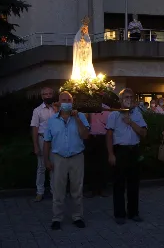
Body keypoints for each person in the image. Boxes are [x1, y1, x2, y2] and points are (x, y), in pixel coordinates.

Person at [43, 91, 90, 230]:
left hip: (76, 157)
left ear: (72, 102)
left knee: (77, 189)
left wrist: (77, 119)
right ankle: (57, 218)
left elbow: (85, 135)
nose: (66, 102)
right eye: (63, 100)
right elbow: (47, 142)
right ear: (58, 102)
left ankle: (77, 216)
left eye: (69, 100)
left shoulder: (80, 116)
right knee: (58, 190)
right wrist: (46, 160)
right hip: (59, 158)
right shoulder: (52, 120)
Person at [106, 88, 147, 225]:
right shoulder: (114, 115)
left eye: (131, 97)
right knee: (119, 184)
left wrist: (131, 122)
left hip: (134, 151)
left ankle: (133, 212)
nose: (129, 100)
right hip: (120, 151)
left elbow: (143, 133)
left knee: (134, 184)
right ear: (121, 100)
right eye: (126, 97)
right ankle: (119, 214)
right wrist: (111, 154)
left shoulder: (137, 114)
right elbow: (109, 135)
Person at [30, 87, 56, 202]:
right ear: (42, 96)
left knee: (54, 166)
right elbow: (35, 128)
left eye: (50, 93)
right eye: (46, 94)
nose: (48, 96)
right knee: (41, 167)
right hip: (42, 139)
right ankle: (40, 192)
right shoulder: (37, 111)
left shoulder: (57, 109)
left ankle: (54, 192)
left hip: (56, 140)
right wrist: (35, 145)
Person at [84, 104, 111, 198]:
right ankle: (92, 189)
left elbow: (109, 126)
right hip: (91, 138)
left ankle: (102, 189)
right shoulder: (88, 108)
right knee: (91, 164)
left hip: (102, 138)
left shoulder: (107, 109)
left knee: (102, 163)